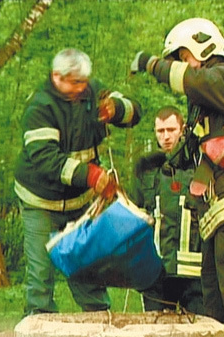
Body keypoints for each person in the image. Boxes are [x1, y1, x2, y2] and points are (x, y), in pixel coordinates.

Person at [130, 18, 224, 337]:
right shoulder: (211, 99)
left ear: (201, 46)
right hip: (217, 207)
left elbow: (195, 81)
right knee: (214, 296)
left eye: (183, 56)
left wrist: (152, 64)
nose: (182, 64)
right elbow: (189, 151)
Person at [14, 48, 142, 315]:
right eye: (75, 83)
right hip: (40, 202)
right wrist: (93, 175)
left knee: (86, 266)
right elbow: (47, 160)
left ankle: (101, 326)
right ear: (56, 76)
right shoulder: (39, 107)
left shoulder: (92, 90)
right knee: (41, 274)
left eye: (84, 82)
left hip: (80, 202)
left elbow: (135, 111)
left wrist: (116, 109)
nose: (82, 88)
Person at [130, 106, 204, 315]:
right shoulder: (145, 169)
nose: (166, 136)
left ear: (182, 130)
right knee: (155, 333)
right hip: (155, 270)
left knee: (196, 333)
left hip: (193, 272)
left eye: (171, 130)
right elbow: (135, 214)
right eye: (160, 131)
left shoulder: (198, 165)